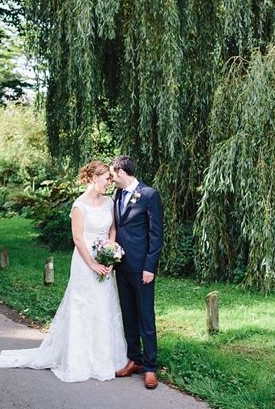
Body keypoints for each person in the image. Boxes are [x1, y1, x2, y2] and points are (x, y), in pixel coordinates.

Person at [0, 161, 128, 382]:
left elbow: (112, 230)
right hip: (85, 263)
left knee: (105, 306)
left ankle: (106, 358)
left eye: (111, 180)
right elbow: (78, 238)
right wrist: (93, 264)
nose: (110, 183)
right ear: (94, 178)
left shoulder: (109, 203)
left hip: (105, 262)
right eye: (107, 179)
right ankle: (80, 360)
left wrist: (111, 256)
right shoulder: (79, 205)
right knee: (83, 306)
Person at [108, 155, 163, 389]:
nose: (110, 178)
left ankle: (150, 367)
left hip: (142, 269)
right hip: (122, 267)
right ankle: (135, 360)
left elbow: (156, 235)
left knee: (145, 318)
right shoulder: (117, 194)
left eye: (111, 174)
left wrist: (150, 267)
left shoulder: (149, 195)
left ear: (121, 172)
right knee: (128, 315)